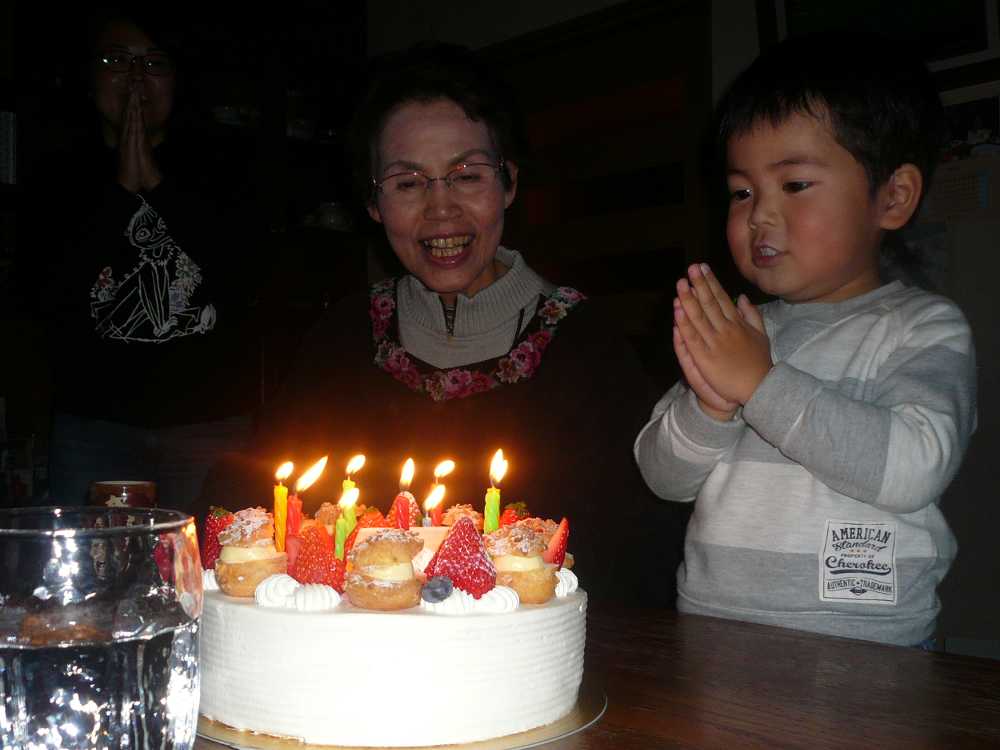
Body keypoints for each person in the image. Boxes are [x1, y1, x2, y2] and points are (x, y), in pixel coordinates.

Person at [198, 43, 685, 605]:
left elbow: (636, 555)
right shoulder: (340, 341)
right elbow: (261, 498)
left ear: (509, 183)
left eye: (466, 176)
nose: (441, 209)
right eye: (408, 183)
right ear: (373, 204)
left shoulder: (588, 347)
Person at [634, 32, 977, 645]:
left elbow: (915, 466)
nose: (759, 215)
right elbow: (663, 476)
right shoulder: (740, 330)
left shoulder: (924, 326)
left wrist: (761, 385)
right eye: (741, 192)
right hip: (716, 630)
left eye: (794, 185)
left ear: (892, 197)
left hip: (868, 641)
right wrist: (710, 406)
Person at [22, 8, 264, 509]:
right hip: (95, 425)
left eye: (153, 63)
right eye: (116, 60)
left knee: (217, 555)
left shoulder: (225, 167)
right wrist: (120, 193)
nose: (135, 77)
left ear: (177, 80)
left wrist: (156, 184)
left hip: (210, 423)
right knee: (97, 555)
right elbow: (48, 295)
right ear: (89, 78)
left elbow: (245, 281)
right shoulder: (55, 175)